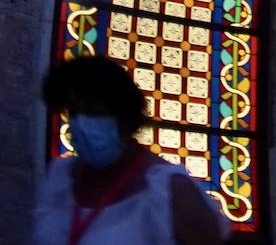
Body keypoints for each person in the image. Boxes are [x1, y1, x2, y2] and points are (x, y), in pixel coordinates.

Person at [34, 55, 226, 244]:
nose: (82, 123)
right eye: (74, 112)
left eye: (94, 111)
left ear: (125, 118)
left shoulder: (171, 192)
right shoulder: (60, 177)